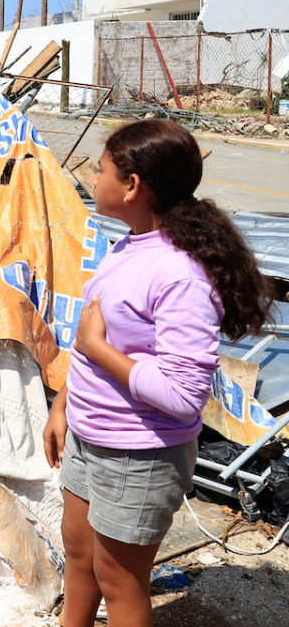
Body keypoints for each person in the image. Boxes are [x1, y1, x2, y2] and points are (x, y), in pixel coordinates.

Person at [43, 120, 273, 627]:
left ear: (131, 186)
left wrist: (97, 351)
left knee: (120, 583)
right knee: (79, 557)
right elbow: (96, 344)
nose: (93, 178)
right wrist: (63, 403)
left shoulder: (180, 274)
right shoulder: (128, 245)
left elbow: (183, 394)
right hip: (90, 435)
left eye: (101, 170)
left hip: (139, 455)